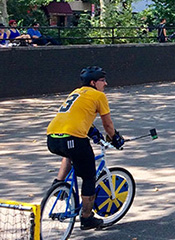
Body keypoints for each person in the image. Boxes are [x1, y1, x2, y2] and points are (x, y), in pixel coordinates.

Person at [46, 66, 125, 230]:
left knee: (70, 154)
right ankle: (87, 218)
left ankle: (58, 186)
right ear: (93, 82)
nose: (106, 83)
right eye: (102, 81)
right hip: (73, 138)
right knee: (89, 176)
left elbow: (76, 117)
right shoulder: (99, 96)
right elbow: (108, 124)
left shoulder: (76, 93)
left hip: (52, 138)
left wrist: (93, 132)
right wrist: (115, 138)